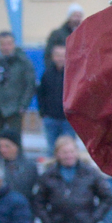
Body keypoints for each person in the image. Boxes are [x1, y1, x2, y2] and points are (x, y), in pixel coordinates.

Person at [0, 30, 37, 149]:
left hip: (14, 107)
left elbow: (30, 85)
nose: (6, 47)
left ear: (14, 44)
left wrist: (23, 105)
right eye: (3, 44)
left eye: (9, 43)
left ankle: (17, 164)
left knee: (14, 140)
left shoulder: (23, 62)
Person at [37, 16, 73, 148]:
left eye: (63, 55)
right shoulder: (47, 74)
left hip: (67, 119)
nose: (60, 58)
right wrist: (43, 113)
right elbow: (41, 93)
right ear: (52, 57)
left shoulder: (72, 75)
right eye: (57, 55)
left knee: (68, 149)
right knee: (51, 150)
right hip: (50, 118)